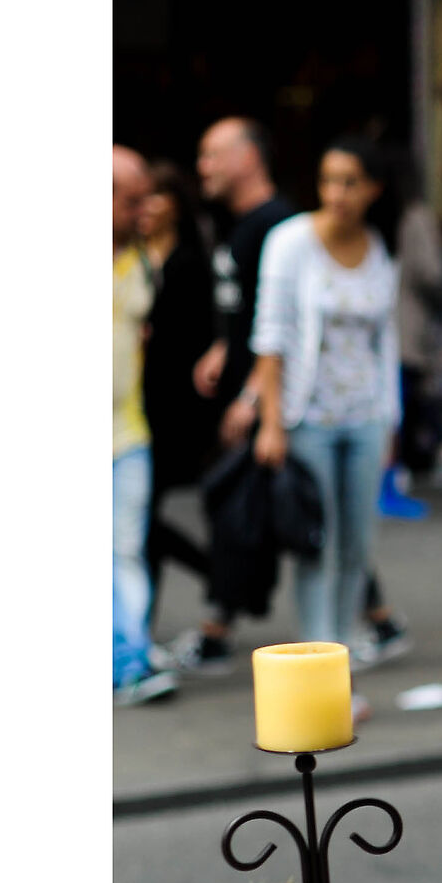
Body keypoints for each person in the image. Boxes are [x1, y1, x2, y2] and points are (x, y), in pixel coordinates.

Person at [249, 138, 404, 656]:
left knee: (359, 543)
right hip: (308, 417)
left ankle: (346, 644)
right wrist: (271, 423)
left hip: (365, 417)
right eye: (328, 180)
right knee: (319, 542)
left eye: (350, 182)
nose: (337, 193)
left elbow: (386, 342)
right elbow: (270, 338)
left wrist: (390, 421)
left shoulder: (380, 247)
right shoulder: (290, 242)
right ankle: (319, 651)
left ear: (374, 189)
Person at [174, 117, 301, 673]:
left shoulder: (281, 227)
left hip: (271, 405)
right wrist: (223, 348)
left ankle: (215, 628)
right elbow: (247, 313)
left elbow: (283, 326)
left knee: (247, 512)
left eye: (211, 154)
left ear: (248, 157)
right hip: (246, 398)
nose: (202, 167)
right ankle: (377, 613)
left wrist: (253, 399)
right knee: (267, 512)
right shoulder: (242, 226)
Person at [137, 158, 219, 630]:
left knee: (142, 514)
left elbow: (199, 331)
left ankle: (142, 625)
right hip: (134, 403)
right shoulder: (126, 258)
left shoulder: (189, 262)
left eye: (156, 197)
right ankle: (143, 621)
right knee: (140, 517)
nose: (146, 208)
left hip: (174, 406)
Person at [113, 147, 176, 706]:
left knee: (125, 551)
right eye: (133, 200)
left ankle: (130, 657)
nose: (145, 210)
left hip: (128, 433)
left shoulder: (141, 260)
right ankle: (129, 658)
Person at [384, 170, 442, 520]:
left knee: (401, 399)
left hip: (393, 326)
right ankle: (441, 451)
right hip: (408, 322)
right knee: (408, 397)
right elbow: (432, 273)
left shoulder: (383, 218)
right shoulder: (415, 217)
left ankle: (402, 469)